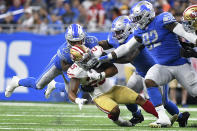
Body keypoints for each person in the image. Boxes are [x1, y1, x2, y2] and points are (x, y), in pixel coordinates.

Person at [99, 1, 197, 127]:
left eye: (138, 18)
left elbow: (129, 57)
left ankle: (180, 117)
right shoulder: (138, 31)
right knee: (128, 96)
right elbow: (113, 44)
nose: (116, 35)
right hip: (145, 71)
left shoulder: (156, 23)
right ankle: (139, 115)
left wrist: (107, 58)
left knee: (166, 101)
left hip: (165, 66)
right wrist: (97, 48)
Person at [66, 44, 159, 127]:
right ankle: (119, 121)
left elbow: (114, 69)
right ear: (78, 61)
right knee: (115, 111)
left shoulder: (97, 54)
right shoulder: (76, 71)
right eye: (86, 59)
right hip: (99, 96)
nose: (90, 59)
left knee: (139, 98)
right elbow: (71, 91)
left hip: (112, 88)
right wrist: (77, 99)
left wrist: (101, 75)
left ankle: (161, 117)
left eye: (89, 55)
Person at [5, 24, 98, 97]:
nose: (76, 44)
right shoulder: (65, 51)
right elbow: (65, 68)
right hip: (59, 65)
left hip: (77, 66)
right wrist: (81, 65)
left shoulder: (91, 41)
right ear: (68, 41)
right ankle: (17, 81)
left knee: (75, 90)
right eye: (73, 42)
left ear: (84, 38)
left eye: (79, 41)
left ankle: (54, 85)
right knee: (38, 85)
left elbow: (100, 53)